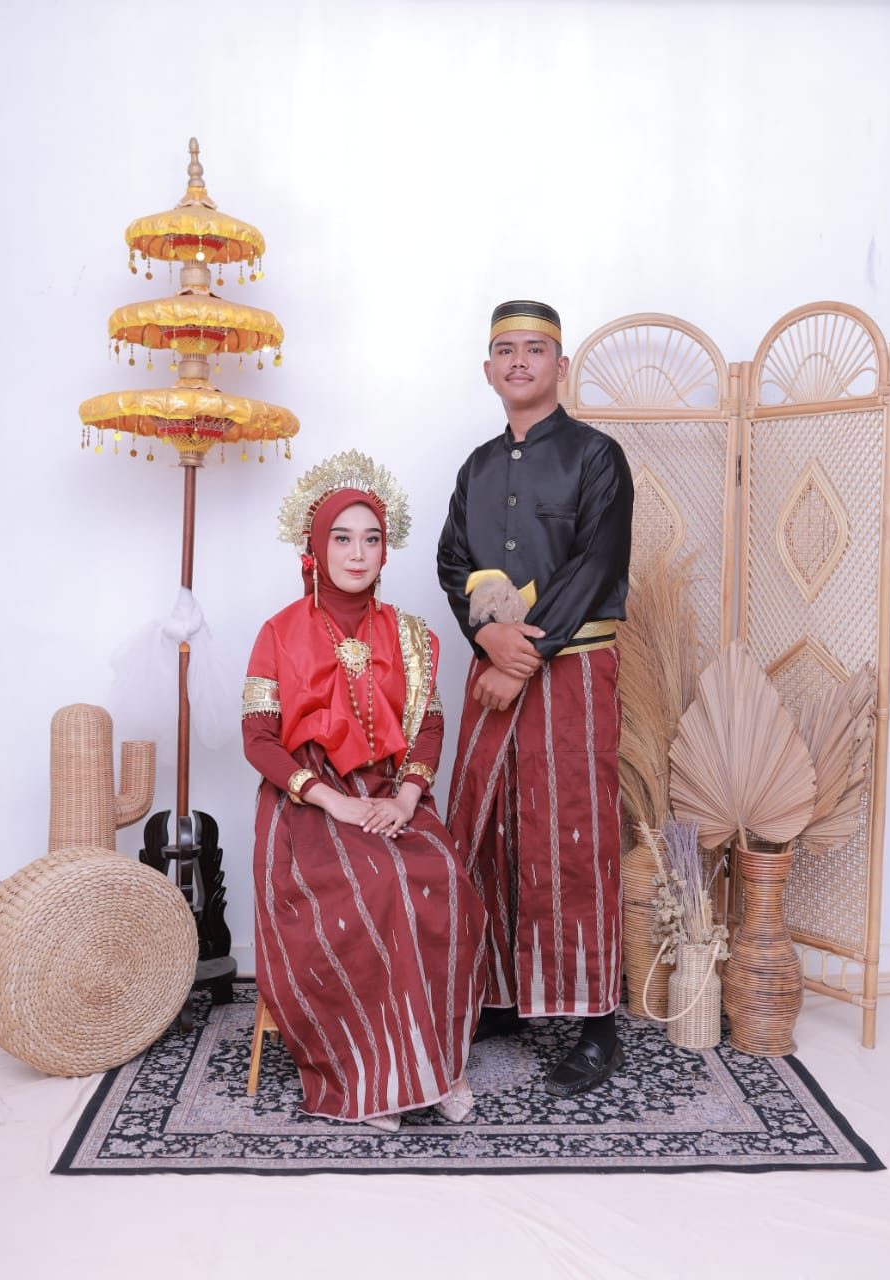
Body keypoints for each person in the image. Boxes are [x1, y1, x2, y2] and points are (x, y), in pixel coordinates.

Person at [243, 449, 487, 1132]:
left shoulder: (409, 635)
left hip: (388, 791)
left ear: (386, 549)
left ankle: (437, 1065)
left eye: (371, 539)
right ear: (316, 548)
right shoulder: (279, 632)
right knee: (375, 885)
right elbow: (259, 739)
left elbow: (429, 726)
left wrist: (405, 799)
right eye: (342, 538)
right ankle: (370, 1075)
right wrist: (334, 800)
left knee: (442, 877)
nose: (357, 554)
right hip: (307, 804)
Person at [437, 300, 633, 1098]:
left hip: (572, 675)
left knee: (573, 837)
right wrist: (486, 636)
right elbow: (453, 561)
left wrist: (522, 659)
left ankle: (596, 1022)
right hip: (493, 667)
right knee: (486, 829)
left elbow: (596, 563)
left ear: (560, 365)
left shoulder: (597, 456)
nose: (518, 361)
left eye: (535, 349)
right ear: (488, 369)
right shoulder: (476, 468)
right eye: (504, 350)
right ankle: (499, 997)